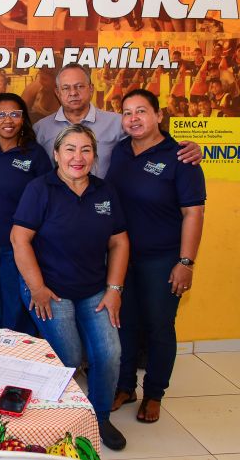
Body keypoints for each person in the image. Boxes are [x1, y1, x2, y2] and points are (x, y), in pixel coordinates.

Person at [11, 124, 130, 451]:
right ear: (56, 154)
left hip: (95, 289)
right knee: (71, 355)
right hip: (50, 289)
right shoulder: (40, 189)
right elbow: (19, 239)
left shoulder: (105, 192)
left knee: (109, 353)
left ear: (94, 155)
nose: (78, 157)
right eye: (70, 149)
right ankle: (53, 412)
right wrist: (36, 288)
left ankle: (99, 416)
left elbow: (119, 241)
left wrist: (115, 288)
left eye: (86, 150)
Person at [107, 89, 206, 423]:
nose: (134, 118)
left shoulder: (180, 157)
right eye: (127, 112)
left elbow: (193, 213)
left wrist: (186, 262)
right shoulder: (120, 152)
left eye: (141, 111)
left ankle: (154, 394)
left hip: (162, 259)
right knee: (123, 323)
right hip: (122, 258)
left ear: (158, 115)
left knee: (159, 326)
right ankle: (124, 386)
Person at [0, 93, 52, 332]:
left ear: (23, 119)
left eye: (15, 114)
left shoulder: (34, 154)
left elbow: (48, 199)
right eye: (1, 114)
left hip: (18, 247)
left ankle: (16, 360)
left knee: (16, 306)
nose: (8, 120)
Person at [34, 63, 201, 176]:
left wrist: (182, 149)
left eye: (79, 86)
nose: (73, 93)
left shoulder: (117, 122)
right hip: (55, 212)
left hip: (105, 209)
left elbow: (151, 141)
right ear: (57, 92)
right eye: (66, 88)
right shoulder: (41, 129)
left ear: (91, 89)